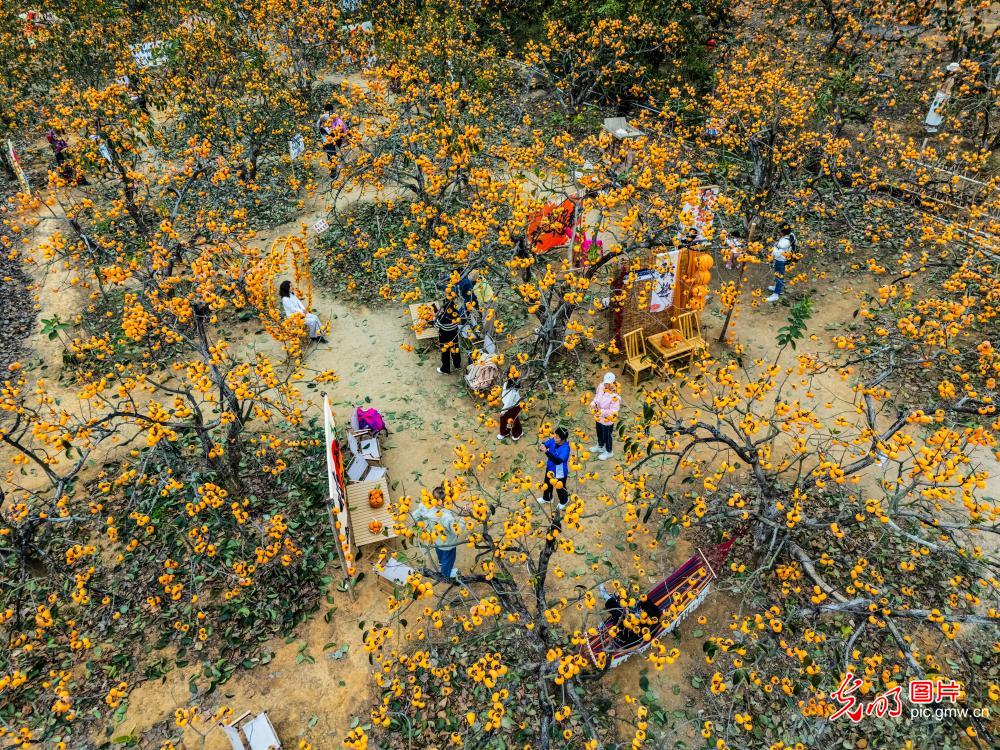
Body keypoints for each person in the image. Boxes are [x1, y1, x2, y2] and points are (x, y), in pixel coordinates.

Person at [409, 485, 461, 579]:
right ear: (444, 501)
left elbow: (414, 516)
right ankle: (446, 575)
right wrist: (463, 518)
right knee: (448, 560)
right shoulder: (446, 517)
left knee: (440, 552)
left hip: (435, 538)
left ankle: (441, 562)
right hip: (448, 544)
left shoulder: (425, 506)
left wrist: (422, 527)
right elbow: (456, 530)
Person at [597, 583, 661, 649]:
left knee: (618, 611)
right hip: (631, 619)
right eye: (641, 610)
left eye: (641, 610)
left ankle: (606, 596)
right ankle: (609, 597)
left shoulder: (646, 628)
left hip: (625, 632)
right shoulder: (652, 611)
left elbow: (630, 637)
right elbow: (645, 602)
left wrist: (633, 619)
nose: (641, 610)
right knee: (624, 606)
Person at [589, 372, 621, 461]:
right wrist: (593, 403)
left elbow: (614, 411)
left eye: (608, 383)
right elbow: (597, 396)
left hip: (608, 420)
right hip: (598, 416)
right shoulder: (601, 386)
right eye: (605, 382)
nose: (606, 384)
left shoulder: (615, 396)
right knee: (599, 431)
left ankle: (609, 451)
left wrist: (601, 412)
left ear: (613, 383)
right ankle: (600, 446)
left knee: (607, 435)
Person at [536, 427, 570, 508]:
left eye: (557, 437)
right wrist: (542, 446)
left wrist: (546, 452)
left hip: (559, 472)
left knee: (560, 487)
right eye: (555, 436)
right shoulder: (553, 440)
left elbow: (558, 461)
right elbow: (545, 444)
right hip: (550, 468)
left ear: (563, 439)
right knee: (547, 484)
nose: (555, 437)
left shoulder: (565, 448)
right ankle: (547, 498)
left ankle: (564, 501)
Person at [316, 104, 347, 178]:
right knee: (333, 155)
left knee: (330, 156)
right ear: (332, 109)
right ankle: (335, 172)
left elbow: (318, 126)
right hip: (333, 139)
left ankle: (334, 173)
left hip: (326, 140)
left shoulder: (321, 118)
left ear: (325, 110)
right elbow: (341, 128)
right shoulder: (334, 117)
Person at [434, 298, 462, 374]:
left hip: (444, 335)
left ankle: (445, 369)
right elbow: (458, 323)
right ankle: (457, 365)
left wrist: (436, 317)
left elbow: (436, 325)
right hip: (454, 334)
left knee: (445, 352)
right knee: (455, 349)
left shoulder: (442, 317)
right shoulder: (457, 314)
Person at [497, 376, 523, 442]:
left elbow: (509, 402)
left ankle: (516, 433)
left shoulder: (513, 391)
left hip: (513, 407)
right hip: (509, 405)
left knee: (509, 420)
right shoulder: (506, 383)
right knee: (512, 420)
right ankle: (507, 432)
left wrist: (503, 411)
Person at [765, 236, 790, 303]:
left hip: (781, 261)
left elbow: (778, 253)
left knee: (779, 277)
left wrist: (775, 248)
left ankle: (776, 294)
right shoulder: (785, 238)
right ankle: (776, 287)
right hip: (780, 260)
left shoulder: (785, 242)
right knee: (777, 275)